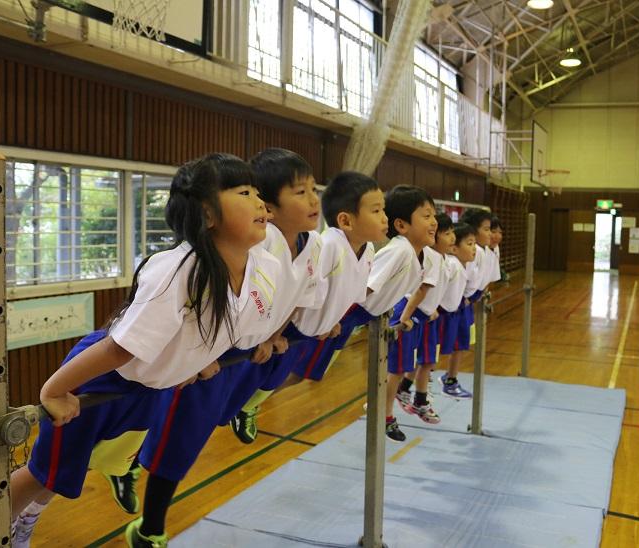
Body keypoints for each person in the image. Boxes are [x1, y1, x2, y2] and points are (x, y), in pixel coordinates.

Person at [10, 153, 281, 547]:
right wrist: (54, 391)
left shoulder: (262, 268)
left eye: (259, 192)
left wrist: (196, 361)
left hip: (147, 390)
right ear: (207, 215)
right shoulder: (178, 270)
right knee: (43, 472)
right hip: (101, 375)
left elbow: (233, 330)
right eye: (244, 192)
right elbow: (117, 349)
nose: (260, 201)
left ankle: (27, 516)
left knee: (73, 469)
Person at [118, 148, 324, 547]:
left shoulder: (310, 246)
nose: (315, 200)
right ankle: (147, 519)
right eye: (300, 192)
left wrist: (272, 334)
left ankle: (229, 413)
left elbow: (292, 297)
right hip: (209, 354)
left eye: (314, 189)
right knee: (178, 439)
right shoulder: (253, 245)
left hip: (247, 350)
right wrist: (207, 354)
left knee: (213, 416)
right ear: (272, 206)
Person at [231, 170, 387, 444]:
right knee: (257, 375)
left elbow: (345, 291)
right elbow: (305, 289)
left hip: (311, 331)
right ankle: (240, 407)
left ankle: (246, 406)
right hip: (290, 327)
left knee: (278, 378)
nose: (384, 218)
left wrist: (332, 320)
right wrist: (279, 333)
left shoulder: (369, 250)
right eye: (376, 211)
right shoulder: (328, 245)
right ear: (345, 220)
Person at [374, 185, 438, 442]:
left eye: (434, 215)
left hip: (392, 313)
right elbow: (367, 288)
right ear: (401, 225)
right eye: (426, 216)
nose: (434, 222)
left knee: (400, 369)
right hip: (382, 313)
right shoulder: (399, 250)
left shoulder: (418, 253)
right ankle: (383, 412)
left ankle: (385, 413)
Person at [395, 213, 454, 424]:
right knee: (401, 364)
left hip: (426, 315)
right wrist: (405, 316)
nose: (452, 238)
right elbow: (420, 290)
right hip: (412, 312)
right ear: (434, 236)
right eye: (447, 234)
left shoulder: (442, 258)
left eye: (452, 232)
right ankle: (383, 400)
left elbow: (435, 290)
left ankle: (415, 398)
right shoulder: (431, 255)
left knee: (426, 361)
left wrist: (433, 309)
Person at [439, 208, 495, 397]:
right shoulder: (472, 253)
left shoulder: (487, 251)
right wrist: (467, 298)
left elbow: (485, 278)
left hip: (467, 301)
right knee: (442, 345)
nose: (492, 234)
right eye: (487, 229)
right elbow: (464, 280)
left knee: (462, 343)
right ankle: (432, 381)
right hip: (457, 303)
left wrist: (479, 295)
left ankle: (450, 377)